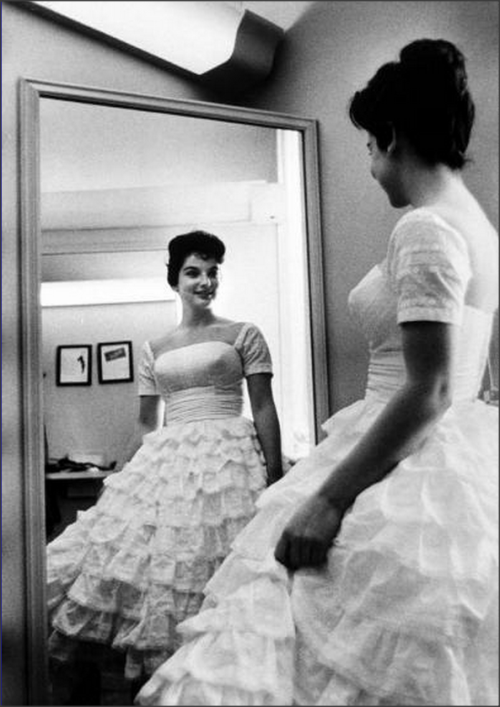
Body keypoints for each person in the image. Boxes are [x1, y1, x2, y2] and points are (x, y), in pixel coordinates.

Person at [136, 39, 498, 706]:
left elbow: (433, 387)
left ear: (391, 137)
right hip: (466, 458)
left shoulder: (423, 227)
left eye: (367, 146)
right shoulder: (480, 227)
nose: (369, 165)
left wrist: (330, 498)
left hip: (406, 453)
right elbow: (479, 377)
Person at [46, 230, 284, 689]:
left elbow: (265, 408)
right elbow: (143, 423)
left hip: (229, 460)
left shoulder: (243, 333)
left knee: (220, 565)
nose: (205, 281)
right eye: (194, 272)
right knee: (156, 564)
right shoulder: (154, 348)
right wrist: (117, 481)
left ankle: (217, 680)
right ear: (175, 280)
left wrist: (274, 479)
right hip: (167, 460)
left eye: (212, 272)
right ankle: (163, 683)